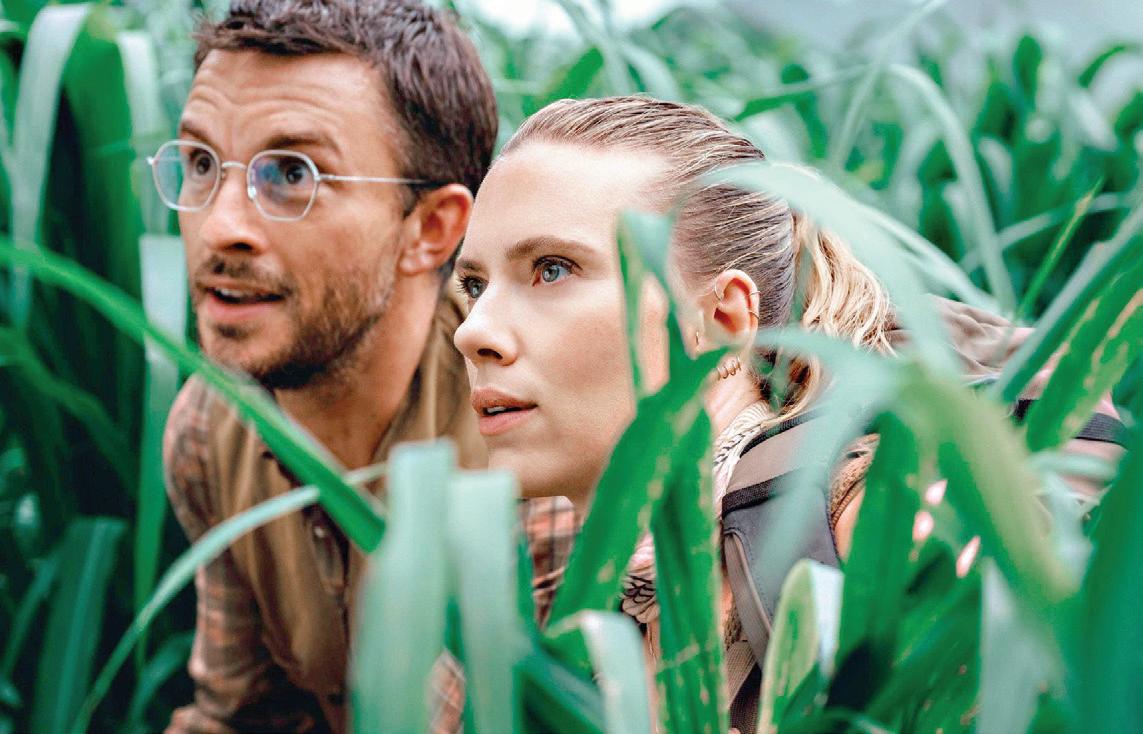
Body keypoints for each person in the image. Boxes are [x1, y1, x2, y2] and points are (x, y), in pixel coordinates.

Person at [452, 95, 1125, 729]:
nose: (472, 331)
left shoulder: (874, 533)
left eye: (552, 269)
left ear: (722, 323)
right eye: (475, 284)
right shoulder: (578, 590)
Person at [158, 1, 496, 731]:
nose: (220, 227)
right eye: (201, 164)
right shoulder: (210, 428)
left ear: (431, 229)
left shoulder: (530, 440)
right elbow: (243, 716)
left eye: (292, 173)